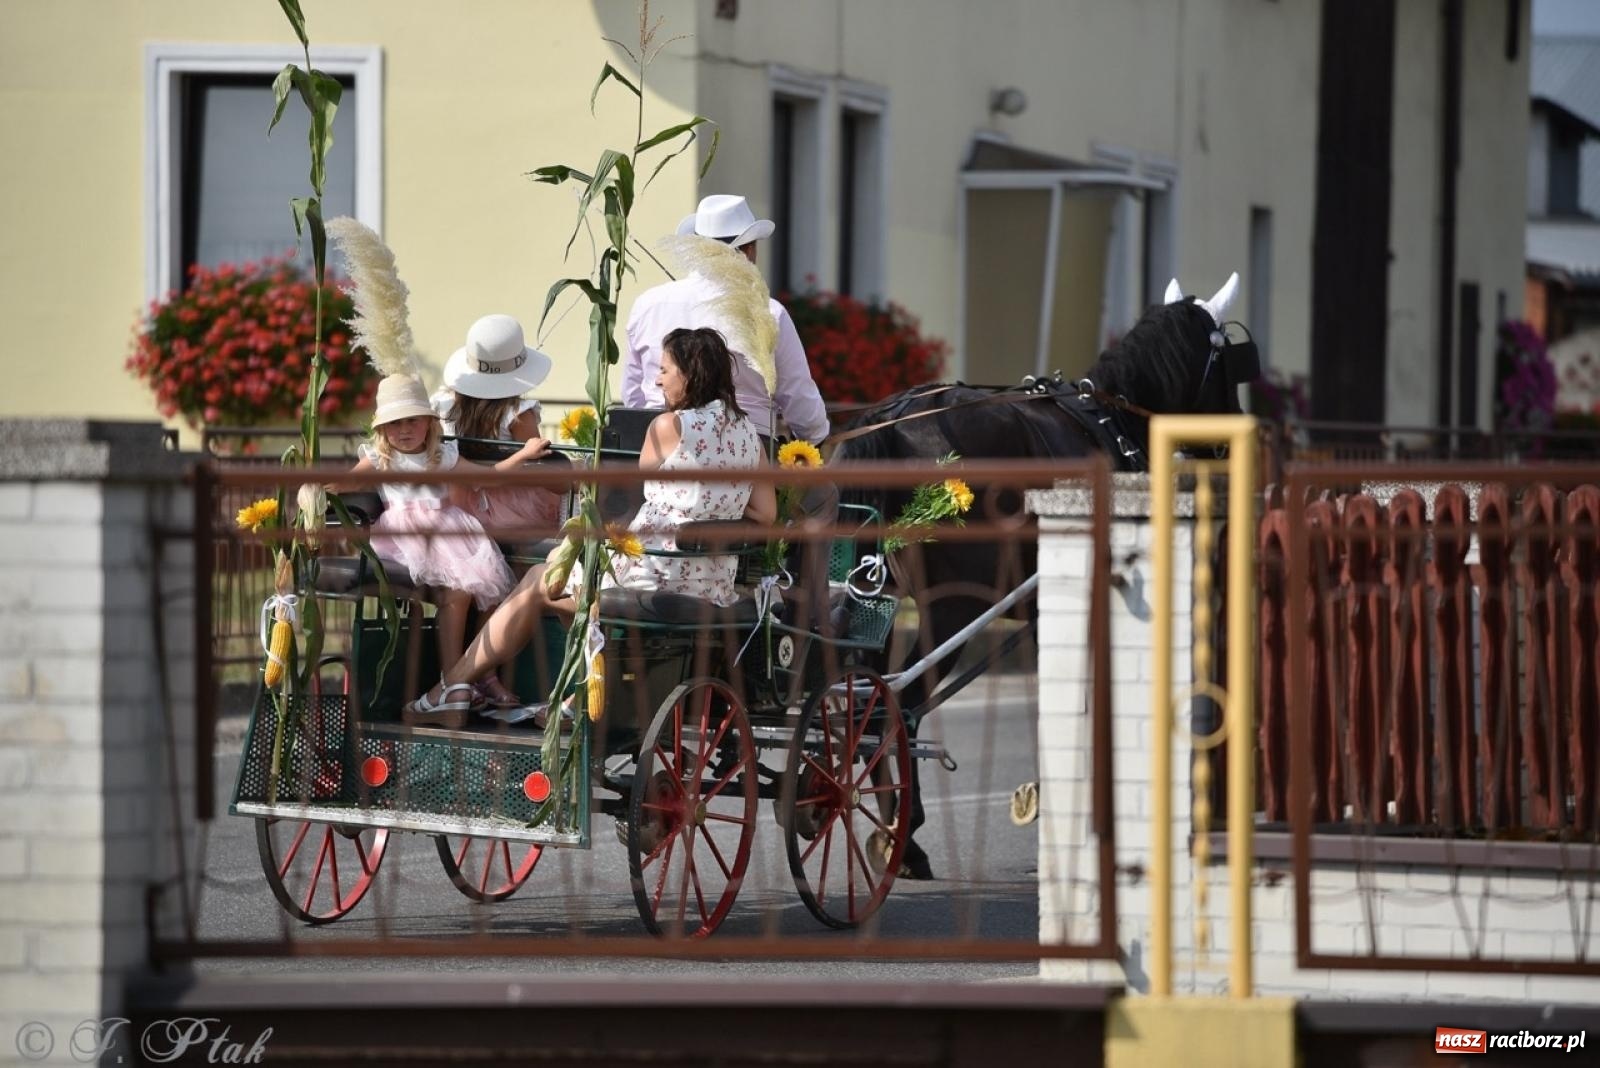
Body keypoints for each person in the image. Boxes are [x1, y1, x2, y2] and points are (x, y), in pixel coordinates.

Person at [404, 327, 777, 725]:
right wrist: (715, 518)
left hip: (652, 574)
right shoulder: (748, 435)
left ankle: (452, 687)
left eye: (665, 370)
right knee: (567, 583)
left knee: (539, 578)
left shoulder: (669, 427)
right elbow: (767, 514)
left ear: (690, 372)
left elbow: (650, 484)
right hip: (710, 583)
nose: (657, 379)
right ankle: (577, 690)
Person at [333, 374, 549, 722]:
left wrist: (523, 454)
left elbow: (486, 476)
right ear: (382, 429)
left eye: (412, 420)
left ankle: (476, 676)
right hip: (408, 535)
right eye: (394, 423)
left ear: (429, 423)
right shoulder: (380, 458)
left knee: (491, 591)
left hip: (452, 530)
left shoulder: (443, 454)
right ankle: (454, 683)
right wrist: (314, 493)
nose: (404, 430)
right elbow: (344, 484)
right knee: (457, 592)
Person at [622, 194, 830, 446]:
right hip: (747, 444)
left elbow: (633, 394)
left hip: (658, 441)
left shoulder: (647, 303)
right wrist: (816, 437)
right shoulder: (767, 311)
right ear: (749, 250)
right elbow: (797, 392)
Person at [429, 313, 563, 541]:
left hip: (453, 504)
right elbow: (537, 465)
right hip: (513, 511)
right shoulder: (518, 415)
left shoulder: (441, 404)